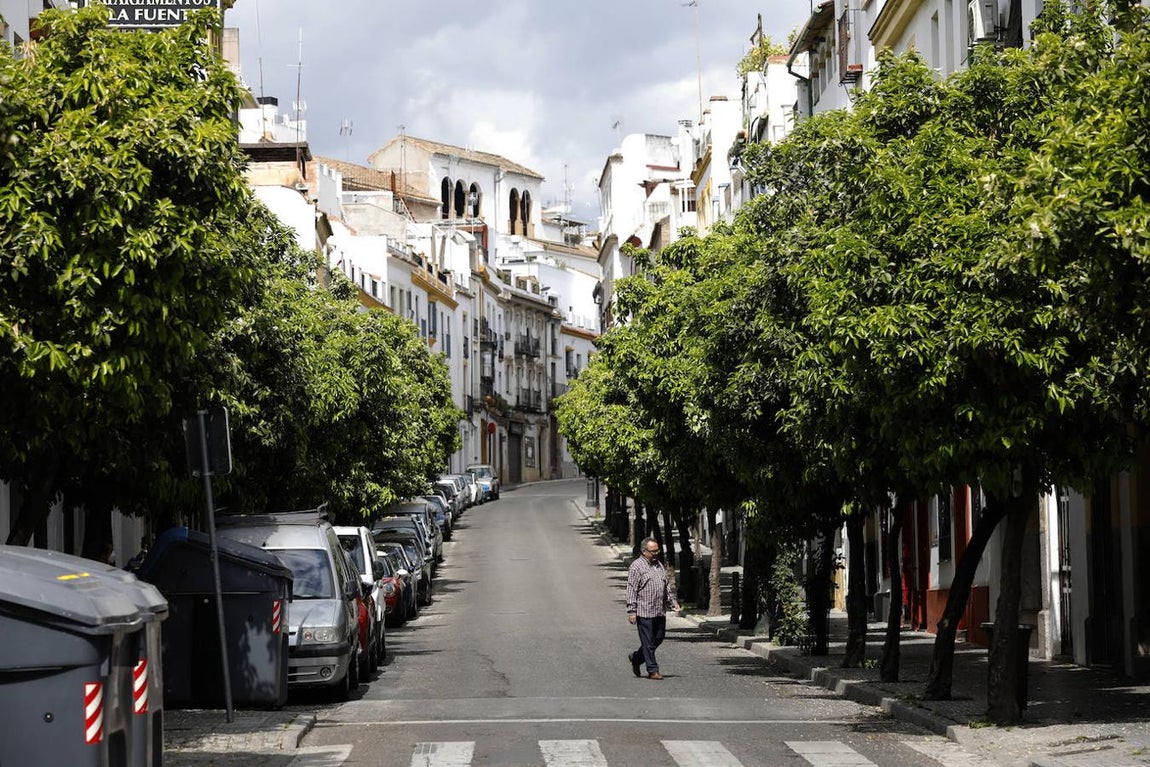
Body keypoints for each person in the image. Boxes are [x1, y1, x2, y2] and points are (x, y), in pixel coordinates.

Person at [626, 536, 681, 680]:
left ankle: (636, 658)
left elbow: (666, 586)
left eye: (657, 550)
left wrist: (673, 602)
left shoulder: (659, 565)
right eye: (653, 551)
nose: (656, 553)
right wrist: (632, 611)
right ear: (644, 551)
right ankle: (653, 670)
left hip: (659, 610)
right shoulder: (636, 567)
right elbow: (632, 590)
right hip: (644, 611)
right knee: (648, 642)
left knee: (659, 638)